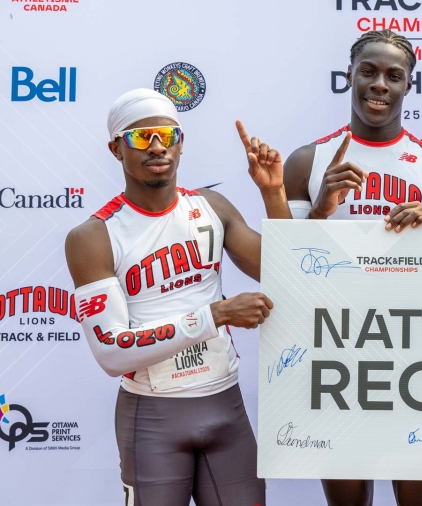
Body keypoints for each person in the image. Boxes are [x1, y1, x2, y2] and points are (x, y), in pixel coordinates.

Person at [65, 88, 291, 505]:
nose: (156, 146)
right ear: (116, 149)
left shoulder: (212, 207)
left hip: (226, 405)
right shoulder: (93, 236)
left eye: (167, 135)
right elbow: (111, 353)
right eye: (141, 137)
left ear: (181, 143)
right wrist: (215, 315)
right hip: (152, 415)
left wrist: (273, 193)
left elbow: (287, 273)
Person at [282, 30, 422, 506]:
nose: (380, 84)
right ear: (349, 77)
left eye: (393, 76)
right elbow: (288, 269)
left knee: (420, 501)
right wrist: (321, 208)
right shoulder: (306, 162)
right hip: (336, 351)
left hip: (417, 352)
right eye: (369, 71)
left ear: (408, 86)